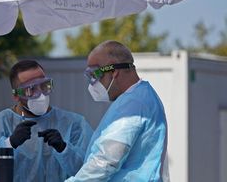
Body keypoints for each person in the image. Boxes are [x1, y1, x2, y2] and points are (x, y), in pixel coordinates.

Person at [0, 60, 93, 181]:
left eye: (44, 85)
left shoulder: (74, 124)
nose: (41, 94)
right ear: (16, 96)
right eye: (30, 89)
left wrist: (64, 149)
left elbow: (92, 170)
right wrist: (9, 144)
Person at [66, 40, 169, 181]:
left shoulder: (133, 105)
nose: (92, 84)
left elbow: (106, 161)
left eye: (94, 74)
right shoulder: (143, 95)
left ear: (113, 71)